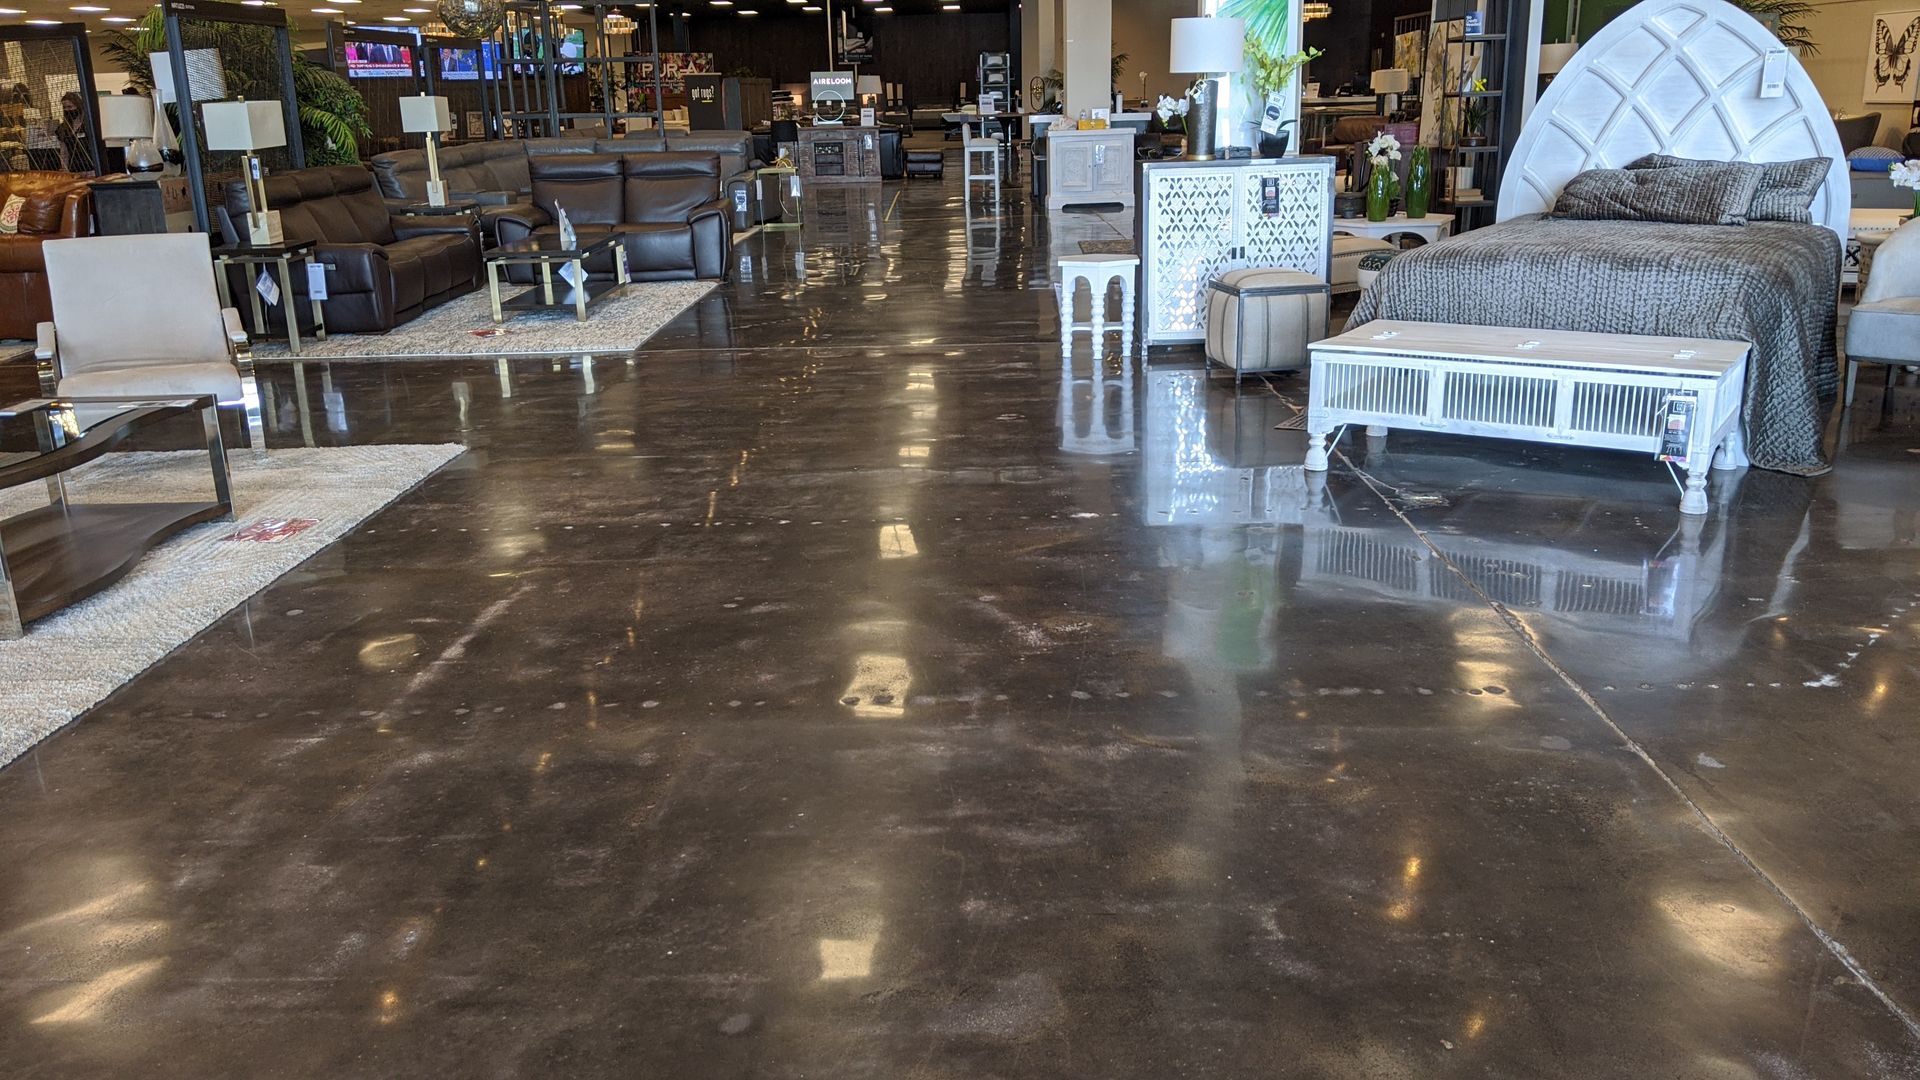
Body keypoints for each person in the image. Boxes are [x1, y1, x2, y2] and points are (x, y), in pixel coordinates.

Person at [55, 91, 96, 173]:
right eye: (65, 107)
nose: (67, 110)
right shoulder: (63, 128)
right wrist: (64, 168)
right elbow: (64, 151)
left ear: (78, 106)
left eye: (70, 107)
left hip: (92, 168)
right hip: (74, 169)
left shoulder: (90, 124)